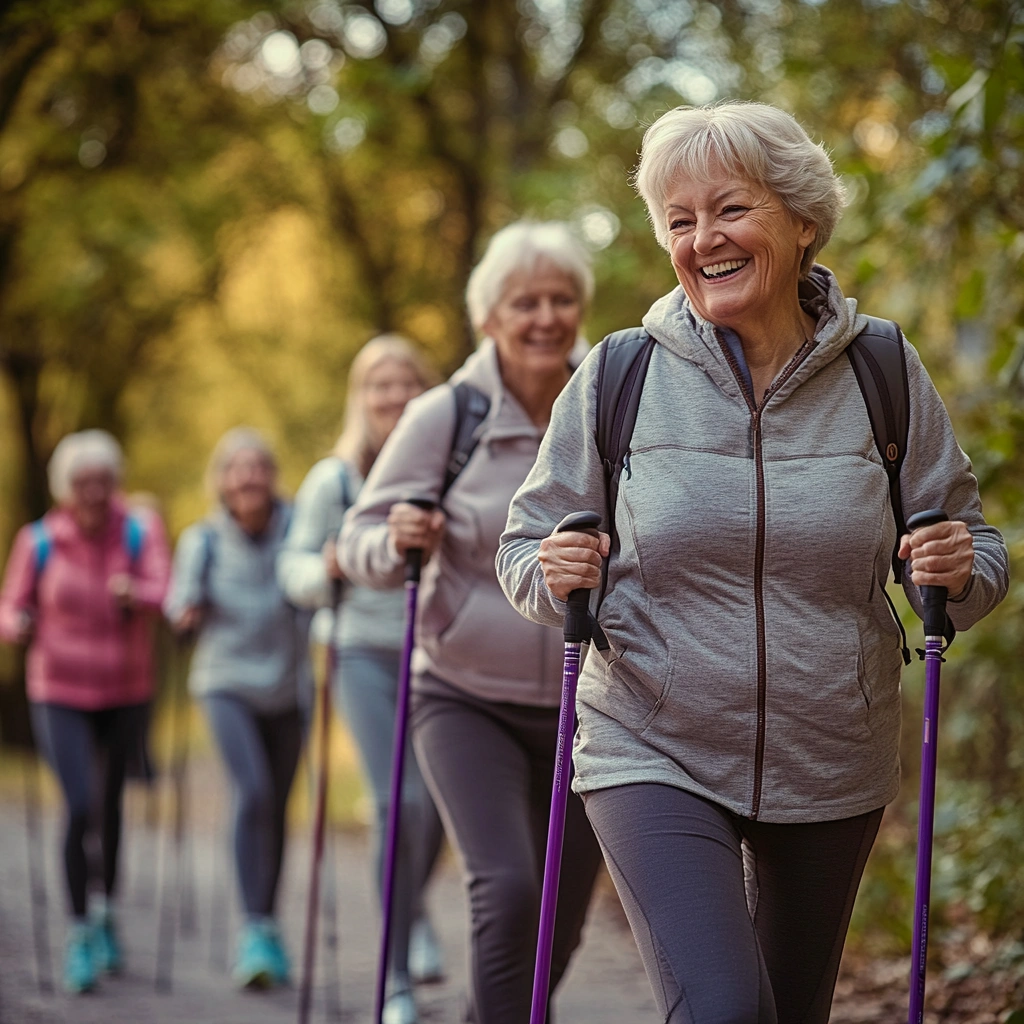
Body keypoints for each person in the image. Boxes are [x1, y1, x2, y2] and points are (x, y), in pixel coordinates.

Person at [496, 102, 1010, 1024]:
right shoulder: (622, 375)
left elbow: (976, 556)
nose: (704, 240)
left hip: (831, 759)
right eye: (681, 222)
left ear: (803, 220)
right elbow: (524, 545)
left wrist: (955, 567)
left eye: (729, 209)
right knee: (725, 1010)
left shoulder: (883, 371)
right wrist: (557, 568)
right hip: (650, 741)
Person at [340, 222, 604, 1024]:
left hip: (591, 701)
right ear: (489, 317)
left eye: (562, 299)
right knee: (511, 886)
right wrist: (393, 539)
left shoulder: (611, 400)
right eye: (526, 302)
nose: (547, 317)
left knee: (560, 917)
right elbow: (354, 541)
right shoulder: (444, 416)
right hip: (463, 696)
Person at [277, 335, 444, 1024]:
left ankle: (409, 908)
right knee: (396, 804)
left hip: (438, 653)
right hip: (362, 654)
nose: (393, 396)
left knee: (434, 810)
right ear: (361, 398)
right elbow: (292, 572)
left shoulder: (447, 468)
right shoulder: (334, 479)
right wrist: (330, 570)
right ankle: (396, 976)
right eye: (379, 384)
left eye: (406, 383)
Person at [0, 430, 171, 993]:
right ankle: (77, 932)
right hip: (58, 689)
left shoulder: (140, 531)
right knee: (79, 805)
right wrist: (16, 625)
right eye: (83, 482)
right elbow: (9, 604)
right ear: (66, 488)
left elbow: (163, 589)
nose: (95, 492)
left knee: (111, 805)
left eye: (103, 481)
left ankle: (105, 912)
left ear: (115, 483)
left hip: (126, 688)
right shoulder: (41, 539)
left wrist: (137, 596)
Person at [165, 427, 311, 990]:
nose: (249, 476)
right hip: (224, 683)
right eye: (237, 468)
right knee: (251, 792)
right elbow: (178, 600)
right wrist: (185, 613)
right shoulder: (201, 540)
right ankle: (252, 928)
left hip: (289, 688)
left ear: (272, 477)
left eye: (259, 467)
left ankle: (267, 927)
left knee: (275, 808)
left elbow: (316, 583)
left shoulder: (298, 529)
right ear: (222, 481)